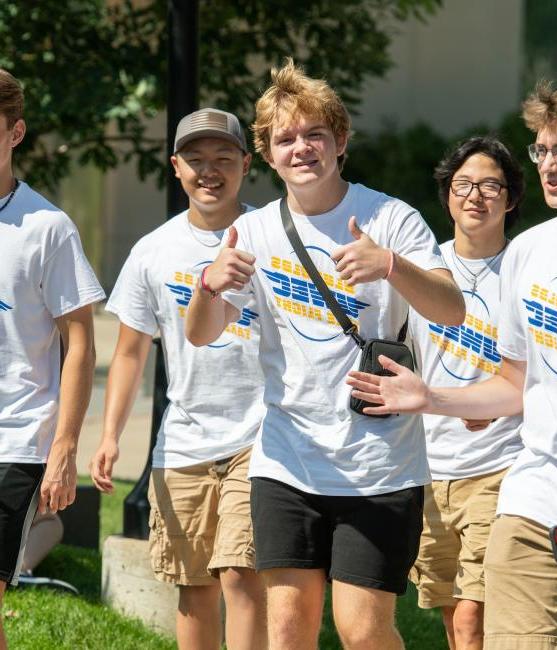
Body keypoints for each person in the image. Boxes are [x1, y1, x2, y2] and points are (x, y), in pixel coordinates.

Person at [347, 79, 557, 649]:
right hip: (533, 498)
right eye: (542, 150)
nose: (550, 166)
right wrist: (431, 398)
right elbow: (515, 381)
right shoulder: (530, 251)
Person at [185, 59, 465, 650]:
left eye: (314, 134)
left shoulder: (390, 217)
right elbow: (200, 334)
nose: (302, 148)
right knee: (286, 631)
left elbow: (451, 308)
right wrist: (208, 286)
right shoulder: (255, 231)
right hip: (288, 460)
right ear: (267, 153)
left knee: (363, 632)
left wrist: (391, 265)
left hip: (379, 464)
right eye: (285, 138)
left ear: (340, 141)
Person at [90, 108, 267, 650]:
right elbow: (128, 352)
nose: (208, 171)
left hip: (264, 434)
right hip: (185, 439)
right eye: (195, 160)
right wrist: (110, 434)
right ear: (175, 167)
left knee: (241, 573)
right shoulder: (153, 250)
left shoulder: (274, 236)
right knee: (194, 588)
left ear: (246, 163)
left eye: (222, 159)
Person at [0, 69, 105, 649]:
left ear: (15, 132)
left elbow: (81, 342)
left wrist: (64, 446)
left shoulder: (47, 228)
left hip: (13, 438)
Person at [408, 136, 524, 650]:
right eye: (463, 185)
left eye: (490, 185)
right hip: (428, 466)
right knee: (454, 617)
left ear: (512, 198)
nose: (475, 196)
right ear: (448, 195)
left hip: (502, 463)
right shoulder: (422, 268)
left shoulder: (528, 269)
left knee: (477, 614)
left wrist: (497, 402)